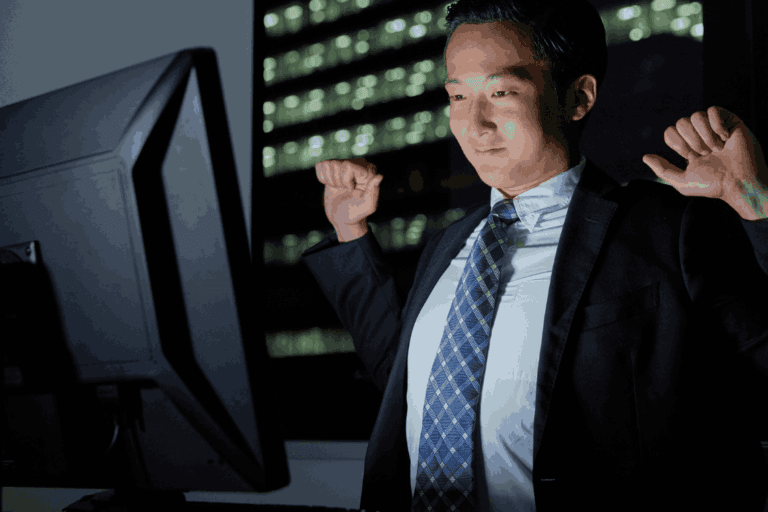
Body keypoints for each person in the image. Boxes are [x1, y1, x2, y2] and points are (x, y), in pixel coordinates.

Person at [301, 0, 768, 510]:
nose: (473, 125)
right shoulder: (451, 243)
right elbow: (408, 379)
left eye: (501, 93)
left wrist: (757, 207)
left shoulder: (663, 228)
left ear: (577, 98)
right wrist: (350, 232)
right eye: (457, 96)